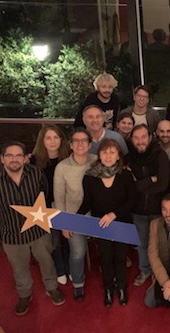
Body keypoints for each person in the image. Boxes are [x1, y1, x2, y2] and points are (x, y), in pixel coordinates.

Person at [0, 141, 65, 316]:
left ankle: (52, 287)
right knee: (19, 267)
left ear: (25, 158)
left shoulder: (36, 173)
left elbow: (45, 193)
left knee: (46, 261)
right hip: (11, 234)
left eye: (18, 155)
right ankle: (24, 294)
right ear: (2, 159)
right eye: (10, 155)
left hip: (38, 231)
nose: (14, 159)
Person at [78, 139, 137, 307]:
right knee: (106, 258)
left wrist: (114, 215)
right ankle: (108, 289)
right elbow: (87, 203)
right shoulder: (90, 177)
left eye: (112, 152)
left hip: (122, 223)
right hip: (100, 225)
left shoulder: (125, 175)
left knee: (120, 257)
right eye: (104, 152)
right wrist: (72, 219)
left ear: (118, 156)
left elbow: (132, 201)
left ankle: (122, 288)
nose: (108, 156)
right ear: (99, 155)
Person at [53, 128, 97, 301]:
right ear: (71, 145)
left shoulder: (97, 161)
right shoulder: (62, 167)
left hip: (97, 216)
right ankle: (78, 283)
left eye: (84, 140)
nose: (80, 144)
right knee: (78, 252)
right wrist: (64, 223)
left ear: (90, 144)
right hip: (74, 219)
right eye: (76, 141)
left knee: (108, 246)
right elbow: (59, 198)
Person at [124, 124, 170, 287]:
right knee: (141, 244)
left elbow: (163, 184)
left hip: (158, 210)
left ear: (150, 138)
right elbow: (130, 186)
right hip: (137, 211)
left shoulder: (160, 155)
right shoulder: (127, 158)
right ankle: (145, 270)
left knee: (159, 244)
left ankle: (159, 273)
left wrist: (140, 185)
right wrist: (151, 179)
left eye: (143, 137)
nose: (140, 141)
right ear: (131, 140)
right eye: (136, 137)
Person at [30, 125, 71, 284]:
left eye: (56, 137)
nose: (52, 141)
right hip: (44, 208)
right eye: (48, 138)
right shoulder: (33, 161)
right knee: (54, 240)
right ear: (42, 141)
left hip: (67, 205)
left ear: (61, 140)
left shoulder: (69, 157)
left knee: (68, 237)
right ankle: (60, 268)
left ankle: (69, 267)